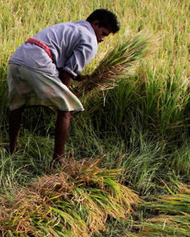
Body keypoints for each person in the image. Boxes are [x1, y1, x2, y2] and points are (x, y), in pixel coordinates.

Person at [7, 9, 119, 162]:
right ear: (96, 24)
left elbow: (61, 63)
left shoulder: (71, 27)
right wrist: (66, 93)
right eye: (104, 33)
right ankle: (58, 161)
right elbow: (66, 73)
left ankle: (11, 150)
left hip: (18, 58)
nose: (102, 39)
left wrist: (80, 78)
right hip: (38, 61)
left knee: (17, 104)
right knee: (67, 107)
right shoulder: (90, 39)